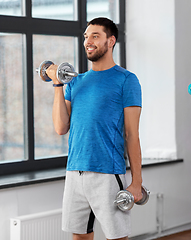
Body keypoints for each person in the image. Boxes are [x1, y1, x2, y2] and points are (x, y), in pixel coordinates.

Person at [46, 17, 143, 240]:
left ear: (111, 41)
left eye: (95, 36)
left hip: (107, 173)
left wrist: (136, 182)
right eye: (86, 37)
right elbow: (61, 127)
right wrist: (58, 85)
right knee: (80, 236)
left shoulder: (126, 80)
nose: (88, 41)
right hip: (75, 171)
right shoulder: (76, 82)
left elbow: (131, 135)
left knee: (116, 237)